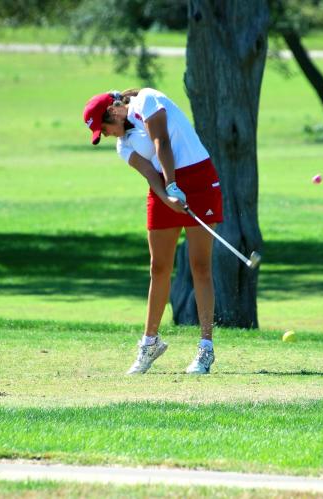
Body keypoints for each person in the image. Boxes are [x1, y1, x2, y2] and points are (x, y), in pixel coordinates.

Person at [82, 88, 223, 375]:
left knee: (199, 266)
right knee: (158, 268)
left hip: (197, 176)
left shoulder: (147, 100)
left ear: (113, 111)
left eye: (104, 128)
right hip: (163, 187)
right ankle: (150, 344)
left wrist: (174, 187)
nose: (106, 135)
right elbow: (150, 173)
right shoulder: (123, 146)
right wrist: (168, 197)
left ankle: (205, 349)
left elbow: (162, 142)